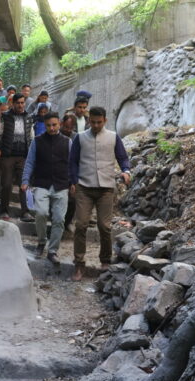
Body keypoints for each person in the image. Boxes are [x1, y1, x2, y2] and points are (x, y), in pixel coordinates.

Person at [69, 106, 131, 281]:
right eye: (93, 122)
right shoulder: (80, 138)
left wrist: (126, 170)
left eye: (99, 122)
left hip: (106, 188)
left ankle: (105, 260)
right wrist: (73, 181)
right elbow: (72, 161)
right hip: (84, 187)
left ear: (105, 121)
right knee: (81, 225)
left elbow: (123, 157)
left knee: (105, 226)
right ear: (89, 121)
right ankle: (79, 265)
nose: (96, 125)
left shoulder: (113, 137)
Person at [21, 112, 72, 264]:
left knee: (59, 219)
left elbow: (71, 164)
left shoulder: (67, 142)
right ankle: (42, 241)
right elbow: (30, 162)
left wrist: (73, 182)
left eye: (54, 125)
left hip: (61, 185)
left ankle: (53, 250)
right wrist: (25, 180)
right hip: (41, 183)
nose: (51, 128)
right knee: (41, 213)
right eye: (49, 125)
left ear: (59, 124)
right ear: (45, 125)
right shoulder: (37, 141)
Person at [0, 93, 35, 222]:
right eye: (18, 103)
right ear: (13, 103)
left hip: (23, 156)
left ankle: (25, 212)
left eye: (23, 103)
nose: (21, 105)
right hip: (8, 155)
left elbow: (31, 136)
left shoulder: (29, 117)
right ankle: (4, 211)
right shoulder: (5, 116)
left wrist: (32, 154)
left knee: (24, 184)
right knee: (6, 184)